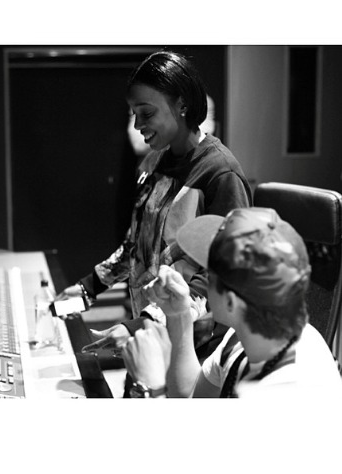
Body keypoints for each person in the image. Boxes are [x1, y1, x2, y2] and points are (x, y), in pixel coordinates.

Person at [57, 50, 252, 395]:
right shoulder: (153, 162)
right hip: (151, 335)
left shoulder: (220, 173)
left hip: (195, 353)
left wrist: (140, 325)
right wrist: (89, 288)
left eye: (146, 113)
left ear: (182, 105)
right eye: (134, 114)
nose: (137, 125)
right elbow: (136, 244)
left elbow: (220, 276)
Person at [121, 207, 342, 398]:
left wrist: (149, 386)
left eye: (210, 273)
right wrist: (178, 315)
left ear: (231, 301)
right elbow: (191, 395)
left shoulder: (286, 386)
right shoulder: (244, 337)